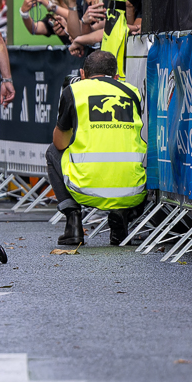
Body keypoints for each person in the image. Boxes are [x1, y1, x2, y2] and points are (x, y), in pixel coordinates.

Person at [46, 49, 145, 247]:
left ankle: (73, 223)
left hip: (85, 189)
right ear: (116, 77)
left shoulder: (74, 91)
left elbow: (60, 143)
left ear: (82, 75)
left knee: (52, 152)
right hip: (132, 192)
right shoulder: (132, 92)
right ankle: (121, 220)